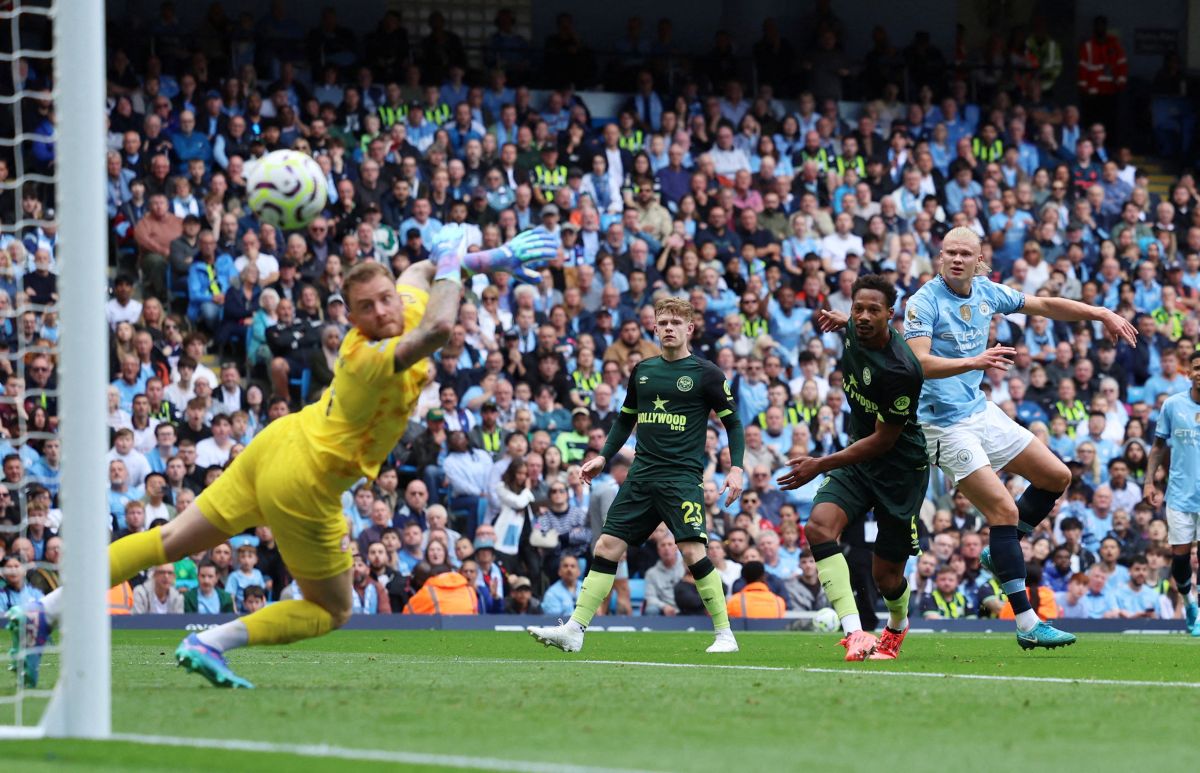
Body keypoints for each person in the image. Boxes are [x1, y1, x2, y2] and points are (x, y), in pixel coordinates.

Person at [8, 226, 558, 688]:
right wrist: (458, 262)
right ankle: (211, 641)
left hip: (278, 441)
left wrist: (495, 258)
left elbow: (420, 272)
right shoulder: (367, 356)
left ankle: (43, 611)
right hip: (305, 480)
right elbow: (441, 321)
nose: (383, 309)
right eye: (366, 308)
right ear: (352, 320)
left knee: (170, 540)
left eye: (386, 298)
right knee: (332, 610)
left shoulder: (406, 300)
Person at [902, 226, 1136, 650]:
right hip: (941, 425)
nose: (956, 259)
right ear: (940, 257)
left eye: (964, 254)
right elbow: (917, 363)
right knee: (1003, 511)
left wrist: (1099, 311)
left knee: (1057, 476)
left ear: (979, 260)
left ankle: (1001, 552)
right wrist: (977, 359)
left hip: (979, 411)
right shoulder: (922, 302)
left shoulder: (988, 292)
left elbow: (1044, 304)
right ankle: (1027, 622)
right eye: (949, 253)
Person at [528, 297, 745, 654]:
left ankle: (725, 635)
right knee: (606, 546)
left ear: (690, 328)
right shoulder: (643, 371)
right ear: (654, 328)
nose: (669, 328)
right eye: (663, 323)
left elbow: (733, 424)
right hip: (641, 476)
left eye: (676, 322)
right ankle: (575, 629)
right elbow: (626, 418)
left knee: (692, 552)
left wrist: (735, 469)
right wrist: (603, 457)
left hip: (681, 479)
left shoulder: (707, 374)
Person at [778, 275, 926, 661]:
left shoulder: (902, 370)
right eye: (858, 308)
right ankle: (855, 632)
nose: (862, 316)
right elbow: (852, 321)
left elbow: (884, 441)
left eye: (872, 311)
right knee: (818, 526)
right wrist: (843, 319)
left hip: (898, 470)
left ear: (890, 315)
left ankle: (897, 625)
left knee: (886, 578)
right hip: (858, 462)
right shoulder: (852, 331)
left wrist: (819, 464)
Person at [1144, 349, 1200, 635]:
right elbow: (1157, 447)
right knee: (1180, 557)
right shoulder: (1173, 405)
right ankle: (1190, 602)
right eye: (1196, 368)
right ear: (1188, 373)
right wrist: (1149, 482)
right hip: (1180, 494)